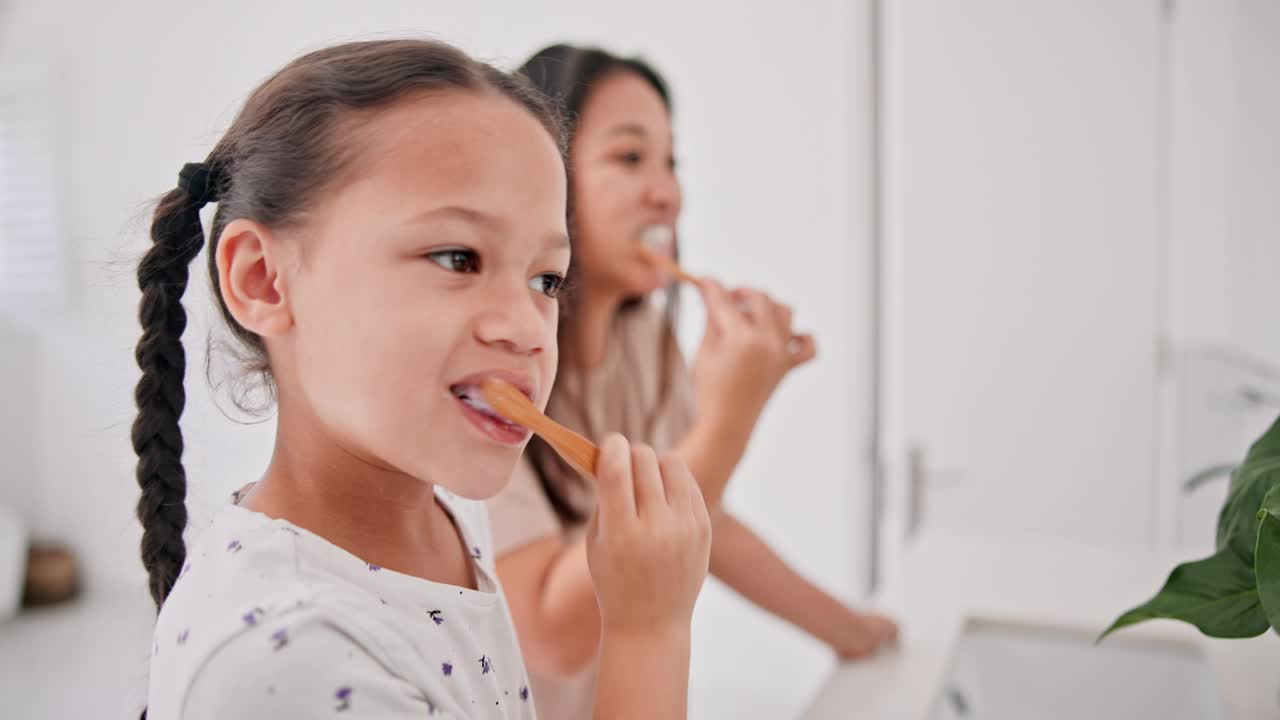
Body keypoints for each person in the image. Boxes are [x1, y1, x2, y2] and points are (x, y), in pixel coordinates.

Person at [131, 39, 710, 720]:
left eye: (545, 279)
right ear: (263, 279)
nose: (527, 327)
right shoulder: (292, 664)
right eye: (458, 257)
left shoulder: (435, 522)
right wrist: (648, 633)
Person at [488, 44, 899, 718]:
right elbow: (555, 634)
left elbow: (699, 521)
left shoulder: (641, 339)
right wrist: (730, 421)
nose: (667, 193)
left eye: (671, 162)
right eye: (630, 157)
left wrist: (848, 631)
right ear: (543, 177)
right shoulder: (499, 362)